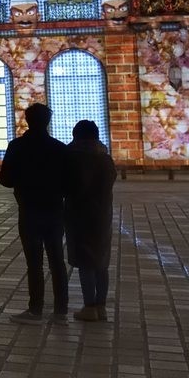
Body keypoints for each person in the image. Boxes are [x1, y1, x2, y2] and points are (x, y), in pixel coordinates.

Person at [0, 102, 69, 323]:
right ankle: (61, 311)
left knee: (34, 262)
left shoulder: (17, 146)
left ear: (27, 120)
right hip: (54, 209)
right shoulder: (59, 148)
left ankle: (35, 309)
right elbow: (70, 182)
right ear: (48, 121)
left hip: (29, 209)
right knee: (57, 259)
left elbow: (6, 180)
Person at [63, 119, 116, 321]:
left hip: (79, 215)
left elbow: (68, 186)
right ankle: (101, 305)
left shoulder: (73, 158)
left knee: (85, 262)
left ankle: (89, 306)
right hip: (103, 215)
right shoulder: (105, 157)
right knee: (101, 262)